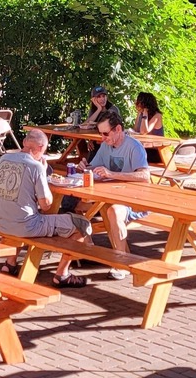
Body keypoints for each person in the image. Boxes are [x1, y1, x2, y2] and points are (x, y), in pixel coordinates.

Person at [0, 129, 92, 287]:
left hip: (2, 222)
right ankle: (62, 273)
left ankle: (10, 263)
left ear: (25, 143)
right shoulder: (36, 166)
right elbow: (46, 206)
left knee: (20, 212)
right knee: (82, 224)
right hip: (27, 226)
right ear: (40, 148)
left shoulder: (3, 159)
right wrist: (43, 170)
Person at [81, 113, 150, 278]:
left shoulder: (134, 146)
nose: (102, 138)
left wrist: (111, 173)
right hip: (111, 195)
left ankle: (122, 262)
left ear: (118, 129)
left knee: (113, 211)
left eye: (106, 133)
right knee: (76, 206)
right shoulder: (106, 146)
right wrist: (84, 166)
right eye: (100, 134)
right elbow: (94, 167)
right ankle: (88, 250)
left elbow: (145, 176)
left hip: (134, 199)